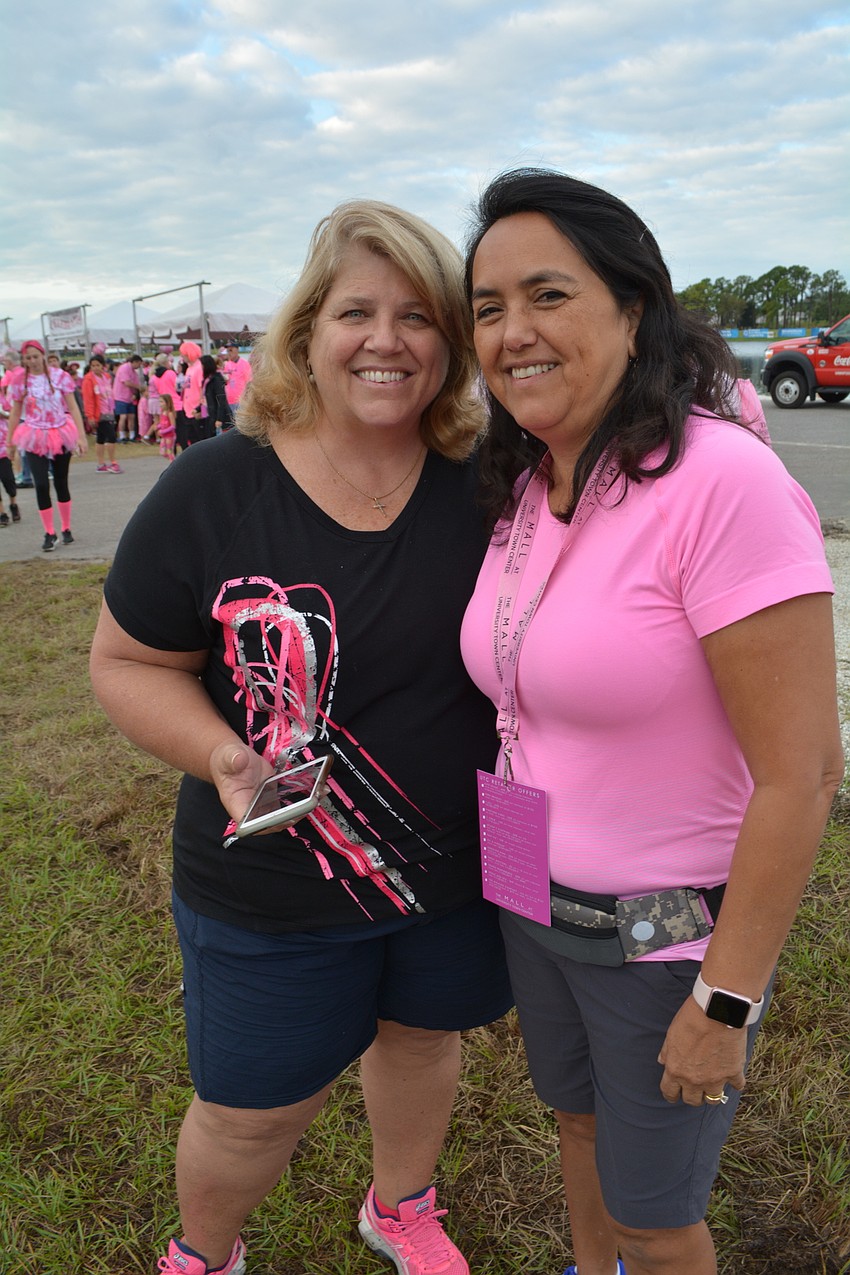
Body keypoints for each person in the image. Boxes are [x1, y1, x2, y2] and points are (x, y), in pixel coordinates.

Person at [89, 198, 512, 1275]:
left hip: (469, 861)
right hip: (273, 884)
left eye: (418, 316)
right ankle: (205, 1253)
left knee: (424, 1042)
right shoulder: (214, 487)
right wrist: (220, 755)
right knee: (250, 1110)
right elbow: (128, 662)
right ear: (306, 334)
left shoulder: (492, 485)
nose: (386, 340)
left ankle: (400, 1206)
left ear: (451, 344)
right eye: (355, 312)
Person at [459, 169, 843, 1275]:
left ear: (632, 310)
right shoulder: (531, 481)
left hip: (663, 940)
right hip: (531, 896)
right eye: (488, 309)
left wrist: (725, 996)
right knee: (576, 1132)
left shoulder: (723, 484)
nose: (513, 333)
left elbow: (804, 774)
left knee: (654, 1217)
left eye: (547, 295)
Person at [8, 339, 89, 550]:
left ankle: (66, 527)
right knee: (41, 484)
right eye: (28, 358)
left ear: (43, 355)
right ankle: (49, 532)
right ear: (23, 359)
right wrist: (10, 442)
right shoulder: (19, 380)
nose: (33, 361)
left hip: (61, 431)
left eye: (36, 356)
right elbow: (16, 412)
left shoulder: (59, 376)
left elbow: (72, 407)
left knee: (61, 482)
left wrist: (81, 437)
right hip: (34, 434)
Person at [83, 354, 122, 473]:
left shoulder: (106, 377)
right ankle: (113, 462)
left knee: (101, 438)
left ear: (103, 366)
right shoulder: (89, 379)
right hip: (98, 413)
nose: (95, 368)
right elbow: (88, 398)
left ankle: (101, 464)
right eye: (93, 365)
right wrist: (90, 416)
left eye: (97, 365)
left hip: (108, 409)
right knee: (111, 436)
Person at [198, 353, 233, 436]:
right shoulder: (206, 380)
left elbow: (221, 399)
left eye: (201, 365)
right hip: (209, 414)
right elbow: (206, 399)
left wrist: (219, 419)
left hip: (220, 416)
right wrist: (198, 409)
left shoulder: (216, 379)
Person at [113, 353, 143, 442]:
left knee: (132, 416)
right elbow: (127, 382)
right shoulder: (124, 368)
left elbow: (134, 384)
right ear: (135, 362)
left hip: (130, 397)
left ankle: (132, 435)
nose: (139, 366)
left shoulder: (134, 372)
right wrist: (139, 387)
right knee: (123, 416)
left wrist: (135, 394)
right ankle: (122, 435)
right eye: (139, 364)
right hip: (120, 396)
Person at [223, 340, 253, 422]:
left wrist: (246, 398)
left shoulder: (244, 364)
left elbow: (250, 382)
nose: (229, 352)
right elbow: (225, 381)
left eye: (231, 350)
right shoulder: (227, 364)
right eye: (228, 350)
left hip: (240, 400)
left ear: (237, 350)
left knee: (241, 423)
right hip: (229, 400)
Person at [157, 391, 177, 461]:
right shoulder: (162, 412)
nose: (160, 404)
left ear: (167, 402)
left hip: (170, 436)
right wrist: (158, 426)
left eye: (162, 402)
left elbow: (173, 426)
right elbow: (162, 423)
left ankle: (173, 463)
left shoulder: (170, 413)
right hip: (164, 436)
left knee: (169, 451)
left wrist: (163, 431)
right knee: (162, 452)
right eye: (159, 402)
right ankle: (171, 460)